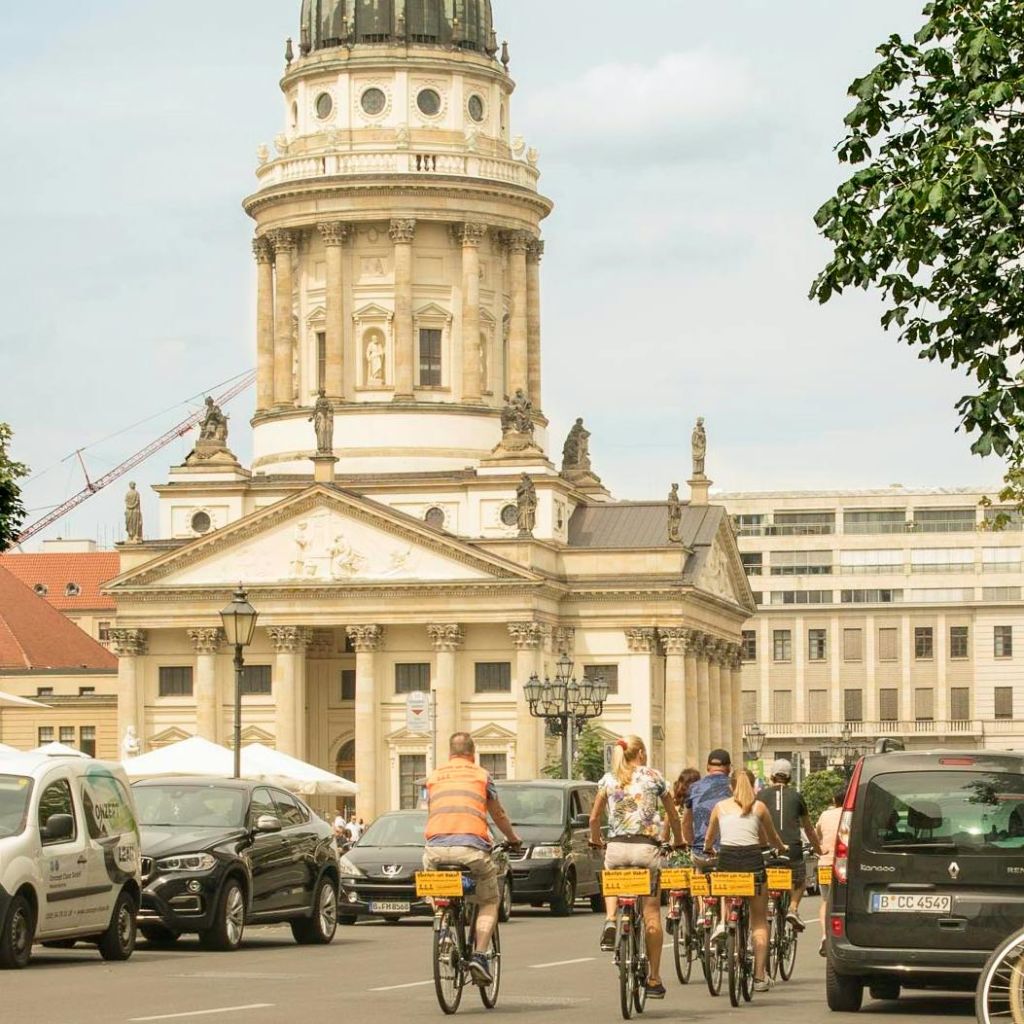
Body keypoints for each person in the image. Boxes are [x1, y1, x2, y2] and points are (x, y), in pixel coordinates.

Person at [423, 732, 521, 987]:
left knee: (433, 888)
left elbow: (432, 810)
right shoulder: (481, 776)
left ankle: (443, 927)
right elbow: (498, 814)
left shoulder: (433, 777)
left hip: (435, 849)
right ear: (472, 753)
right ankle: (479, 955)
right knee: (489, 900)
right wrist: (513, 838)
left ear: (450, 753)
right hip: (471, 849)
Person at [589, 735, 683, 1000]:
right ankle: (654, 978)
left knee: (611, 874)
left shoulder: (609, 779)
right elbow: (672, 815)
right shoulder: (654, 777)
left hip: (617, 847)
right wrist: (678, 840)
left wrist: (596, 840)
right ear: (640, 753)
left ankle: (610, 919)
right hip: (645, 849)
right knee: (651, 913)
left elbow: (594, 818)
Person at [703, 769, 785, 993]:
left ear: (730, 786)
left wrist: (708, 849)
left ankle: (723, 923)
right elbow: (772, 838)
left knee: (725, 892)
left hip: (727, 860)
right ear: (753, 785)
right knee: (759, 922)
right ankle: (759, 976)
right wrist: (782, 848)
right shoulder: (760, 807)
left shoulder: (720, 807)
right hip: (753, 862)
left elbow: (710, 837)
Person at [756, 759, 822, 932]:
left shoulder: (760, 796)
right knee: (800, 879)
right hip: (791, 850)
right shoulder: (797, 796)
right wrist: (819, 850)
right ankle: (793, 908)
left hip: (766, 850)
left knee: (761, 880)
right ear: (790, 778)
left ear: (771, 776)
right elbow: (809, 829)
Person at [682, 749, 733, 853]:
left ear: (707, 767)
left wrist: (692, 845)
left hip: (702, 851)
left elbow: (686, 822)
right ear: (729, 768)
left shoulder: (694, 787)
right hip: (729, 851)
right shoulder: (736, 787)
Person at [815, 785, 846, 955]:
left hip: (825, 863)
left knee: (826, 901)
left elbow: (817, 836)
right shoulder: (851, 815)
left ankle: (824, 935)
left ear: (834, 801)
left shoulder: (825, 815)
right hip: (844, 865)